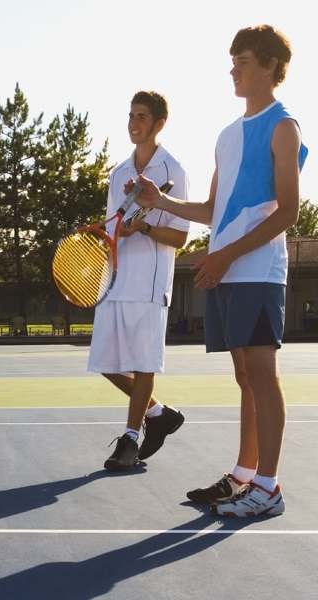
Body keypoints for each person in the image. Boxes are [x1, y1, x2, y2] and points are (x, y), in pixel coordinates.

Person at [135, 25, 307, 516]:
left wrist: (226, 255)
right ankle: (244, 475)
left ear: (272, 66)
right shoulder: (228, 135)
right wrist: (161, 200)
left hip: (257, 270)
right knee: (244, 378)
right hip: (229, 270)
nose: (234, 68)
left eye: (245, 60)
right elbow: (215, 208)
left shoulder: (283, 125)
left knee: (261, 374)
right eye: (233, 60)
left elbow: (288, 211)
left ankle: (268, 488)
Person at [88, 91, 190, 471]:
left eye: (142, 116)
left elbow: (180, 238)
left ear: (160, 123)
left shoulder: (173, 171)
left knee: (143, 363)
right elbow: (115, 227)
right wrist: (108, 233)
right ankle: (159, 414)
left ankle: (130, 440)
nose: (134, 122)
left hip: (149, 285)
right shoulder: (117, 174)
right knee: (105, 362)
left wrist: (143, 227)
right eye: (131, 115)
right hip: (114, 281)